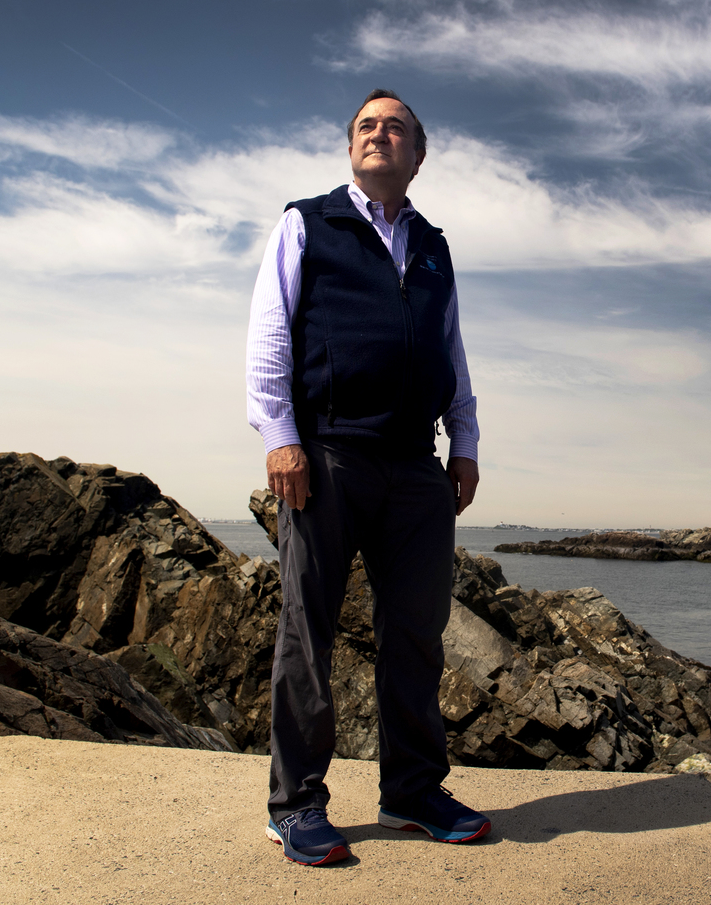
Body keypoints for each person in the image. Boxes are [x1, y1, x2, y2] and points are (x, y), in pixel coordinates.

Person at [245, 88, 490, 866]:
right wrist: (280, 436)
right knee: (306, 632)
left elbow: (450, 349)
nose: (379, 135)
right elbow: (268, 336)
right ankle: (297, 804)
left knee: (416, 635)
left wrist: (467, 440)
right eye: (366, 126)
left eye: (396, 128)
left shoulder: (434, 246)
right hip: (328, 457)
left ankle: (412, 790)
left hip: (416, 465)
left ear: (417, 155)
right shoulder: (307, 224)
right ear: (352, 146)